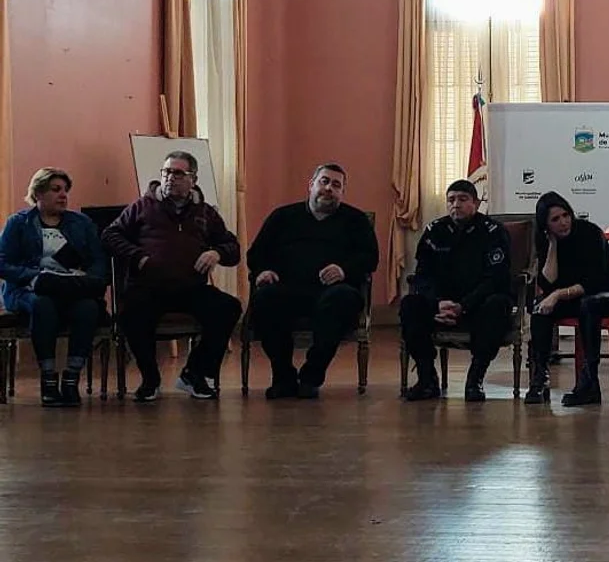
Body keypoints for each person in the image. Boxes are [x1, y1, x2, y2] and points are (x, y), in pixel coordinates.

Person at [102, 151, 242, 402]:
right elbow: (110, 235)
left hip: (190, 288)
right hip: (149, 286)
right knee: (130, 311)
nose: (170, 178)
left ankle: (194, 374)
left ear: (193, 179)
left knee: (229, 307)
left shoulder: (205, 213)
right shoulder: (142, 207)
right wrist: (136, 256)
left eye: (178, 173)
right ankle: (150, 379)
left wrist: (217, 252)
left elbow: (232, 248)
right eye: (166, 172)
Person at [246, 163, 379, 400]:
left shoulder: (356, 220)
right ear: (311, 185)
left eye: (336, 185)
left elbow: (370, 258)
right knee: (264, 298)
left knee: (343, 299)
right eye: (324, 181)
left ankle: (311, 376)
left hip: (332, 291)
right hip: (288, 288)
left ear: (342, 192)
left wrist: (344, 269)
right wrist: (263, 271)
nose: (328, 188)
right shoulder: (282, 216)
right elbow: (257, 253)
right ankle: (283, 377)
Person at [0, 168, 108, 407]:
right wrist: (33, 276)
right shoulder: (18, 223)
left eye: (65, 190)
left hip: (70, 287)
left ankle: (71, 378)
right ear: (38, 193)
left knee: (88, 308)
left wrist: (89, 278)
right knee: (43, 305)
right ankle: (48, 379)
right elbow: (3, 262)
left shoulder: (81, 223)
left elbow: (98, 260)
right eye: (55, 190)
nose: (63, 195)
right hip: (29, 289)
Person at [400, 179, 513, 402]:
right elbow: (423, 275)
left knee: (498, 304)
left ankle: (475, 380)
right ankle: (427, 379)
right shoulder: (434, 231)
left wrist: (464, 306)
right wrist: (437, 303)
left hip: (477, 305)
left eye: (463, 199)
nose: (456, 204)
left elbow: (496, 278)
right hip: (441, 306)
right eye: (451, 200)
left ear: (476, 204)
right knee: (410, 305)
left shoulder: (493, 232)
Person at [525, 193, 609, 406]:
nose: (563, 222)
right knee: (539, 308)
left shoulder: (589, 232)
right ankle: (540, 376)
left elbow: (595, 280)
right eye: (555, 219)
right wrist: (552, 246)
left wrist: (557, 295)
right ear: (546, 225)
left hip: (607, 294)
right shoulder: (545, 240)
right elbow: (548, 283)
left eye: (566, 215)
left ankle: (589, 383)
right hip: (576, 297)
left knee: (588, 306)